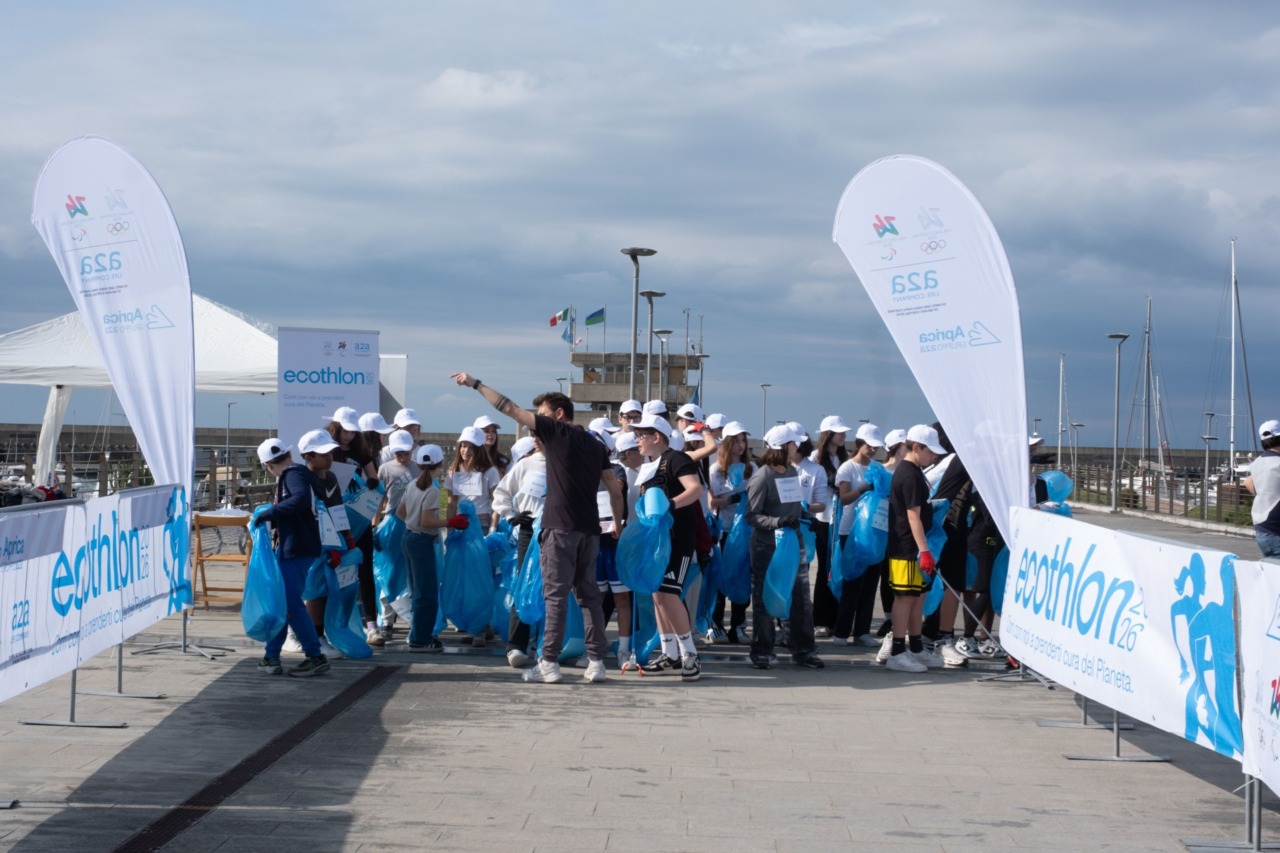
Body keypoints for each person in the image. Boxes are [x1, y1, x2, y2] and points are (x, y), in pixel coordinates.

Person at [450, 371, 624, 685]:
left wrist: (476, 384)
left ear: (558, 416)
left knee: (554, 597)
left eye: (541, 415)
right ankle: (596, 662)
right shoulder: (595, 445)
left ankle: (549, 663)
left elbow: (508, 408)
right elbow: (614, 489)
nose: (536, 421)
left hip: (559, 529)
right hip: (590, 531)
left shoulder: (557, 432)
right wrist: (618, 525)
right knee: (589, 598)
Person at [630, 414, 704, 681]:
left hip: (678, 539)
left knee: (670, 595)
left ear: (656, 437)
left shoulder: (676, 459)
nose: (637, 440)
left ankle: (690, 656)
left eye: (641, 435)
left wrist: (670, 505)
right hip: (656, 542)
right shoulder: (649, 466)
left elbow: (694, 489)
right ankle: (669, 654)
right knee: (657, 595)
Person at [746, 424, 823, 670]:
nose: (796, 447)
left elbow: (793, 505)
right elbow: (752, 516)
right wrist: (778, 522)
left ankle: (804, 650)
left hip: (792, 543)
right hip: (767, 547)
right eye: (792, 443)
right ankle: (761, 651)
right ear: (782, 447)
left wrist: (804, 516)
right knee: (764, 598)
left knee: (801, 598)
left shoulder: (791, 471)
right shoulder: (762, 476)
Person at [252, 437, 330, 678]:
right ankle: (272, 656)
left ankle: (314, 656)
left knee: (290, 604)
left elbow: (299, 501)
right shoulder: (301, 473)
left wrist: (268, 513)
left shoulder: (291, 475)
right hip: (300, 545)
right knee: (284, 603)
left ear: (267, 465)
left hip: (296, 547)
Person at [880, 424, 947, 673]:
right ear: (916, 447)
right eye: (931, 451)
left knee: (918, 596)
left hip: (915, 547)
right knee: (905, 597)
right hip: (906, 548)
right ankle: (898, 651)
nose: (934, 456)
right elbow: (912, 516)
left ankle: (916, 647)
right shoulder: (908, 475)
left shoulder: (915, 472)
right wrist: (924, 550)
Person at [396, 445, 467, 652]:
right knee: (426, 593)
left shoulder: (412, 485)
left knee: (416, 590)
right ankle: (421, 638)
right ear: (440, 464)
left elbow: (400, 513)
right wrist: (451, 522)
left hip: (408, 537)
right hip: (421, 541)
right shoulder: (434, 490)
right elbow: (427, 521)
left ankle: (417, 634)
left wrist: (413, 521)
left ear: (418, 464)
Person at [324, 407, 383, 646]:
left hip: (359, 518)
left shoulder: (361, 451)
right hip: (334, 517)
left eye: (352, 432)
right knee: (334, 569)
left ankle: (371, 622)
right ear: (335, 428)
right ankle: (333, 622)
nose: (348, 436)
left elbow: (375, 477)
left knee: (365, 568)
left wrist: (369, 480)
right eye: (344, 431)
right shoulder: (326, 450)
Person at [297, 428, 355, 662]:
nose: (329, 458)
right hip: (312, 544)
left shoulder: (331, 478)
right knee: (314, 593)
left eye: (330, 452)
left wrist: (347, 538)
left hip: (332, 543)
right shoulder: (301, 480)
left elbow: (337, 509)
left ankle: (317, 633)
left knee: (327, 591)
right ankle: (315, 638)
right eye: (323, 454)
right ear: (308, 456)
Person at [492, 437, 547, 667]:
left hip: (555, 530)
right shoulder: (525, 465)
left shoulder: (566, 463)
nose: (537, 439)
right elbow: (501, 493)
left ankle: (547, 644)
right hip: (527, 529)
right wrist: (509, 516)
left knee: (554, 589)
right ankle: (516, 644)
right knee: (524, 584)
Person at [832, 423, 884, 647]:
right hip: (850, 531)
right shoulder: (847, 468)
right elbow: (844, 499)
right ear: (859, 444)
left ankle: (862, 631)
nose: (873, 451)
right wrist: (864, 487)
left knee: (870, 583)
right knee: (852, 582)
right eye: (869, 446)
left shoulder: (878, 468)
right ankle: (841, 632)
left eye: (876, 447)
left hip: (872, 532)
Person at [708, 421, 752, 643]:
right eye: (736, 441)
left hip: (744, 532)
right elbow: (712, 502)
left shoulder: (750, 469)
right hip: (724, 531)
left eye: (743, 440)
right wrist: (733, 498)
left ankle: (739, 624)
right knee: (721, 578)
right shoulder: (716, 470)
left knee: (742, 577)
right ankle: (715, 624)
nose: (741, 445)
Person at [811, 415, 852, 635]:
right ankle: (820, 619)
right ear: (828, 435)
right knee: (824, 569)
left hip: (841, 519)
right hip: (823, 519)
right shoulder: (816, 458)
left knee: (838, 567)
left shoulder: (846, 458)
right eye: (839, 432)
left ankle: (836, 617)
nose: (844, 436)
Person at [1243, 419, 1280, 558]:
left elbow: (1247, 482)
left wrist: (1264, 496)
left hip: (1263, 529)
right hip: (1276, 531)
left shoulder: (1257, 463)